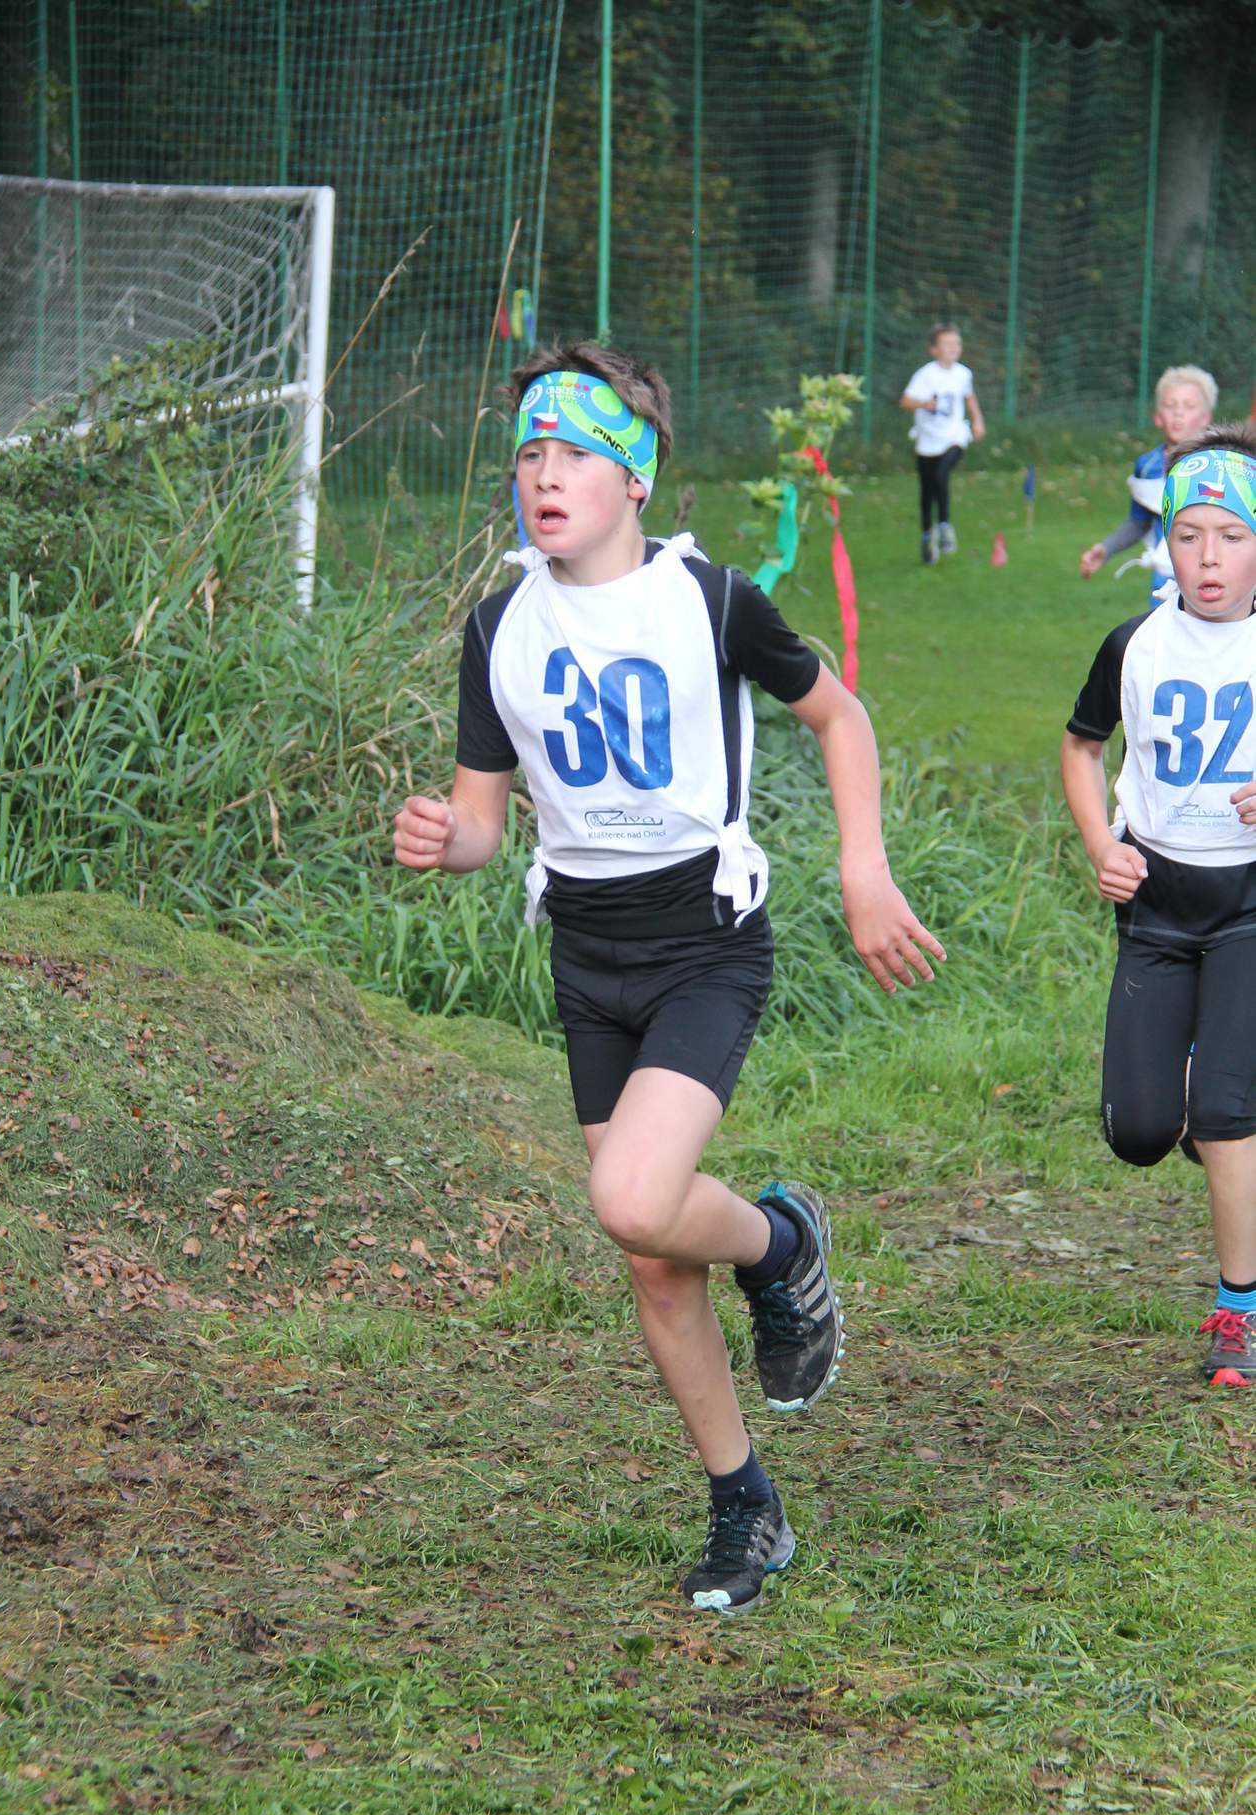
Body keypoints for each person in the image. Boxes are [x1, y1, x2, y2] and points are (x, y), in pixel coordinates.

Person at [394, 341, 944, 1611]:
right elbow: (484, 821)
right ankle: (744, 1500)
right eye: (528, 453)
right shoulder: (499, 627)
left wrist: (863, 867)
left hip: (704, 940)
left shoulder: (711, 599)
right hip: (586, 955)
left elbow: (840, 716)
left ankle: (779, 1241)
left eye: (574, 452)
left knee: (634, 1198)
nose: (544, 475)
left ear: (635, 474)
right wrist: (443, 836)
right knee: (648, 1251)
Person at [1061, 423, 1256, 1388]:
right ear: (1165, 542)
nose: (1207, 558)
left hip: (1249, 904)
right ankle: (1199, 1087)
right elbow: (1081, 745)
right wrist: (1102, 845)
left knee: (1224, 1116)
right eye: (1187, 536)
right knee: (1139, 1132)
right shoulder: (1132, 644)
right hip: (1156, 907)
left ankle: (1237, 1311)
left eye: (1231, 535)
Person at [1079, 366, 1219, 603]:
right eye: (1170, 405)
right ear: (1157, 417)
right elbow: (1139, 521)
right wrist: (1106, 548)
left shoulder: (1223, 464)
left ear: (1206, 417)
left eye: (1189, 406)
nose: (1178, 413)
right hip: (1165, 583)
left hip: (1214, 579)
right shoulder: (1147, 467)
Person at [899, 322, 985, 565]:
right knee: (927, 493)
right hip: (928, 441)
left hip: (954, 436)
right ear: (934, 350)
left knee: (941, 475)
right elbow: (905, 402)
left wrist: (978, 421)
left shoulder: (963, 373)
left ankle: (945, 526)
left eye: (956, 343)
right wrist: (924, 404)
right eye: (947, 344)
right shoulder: (925, 375)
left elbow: (969, 397)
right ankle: (928, 536)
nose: (953, 348)